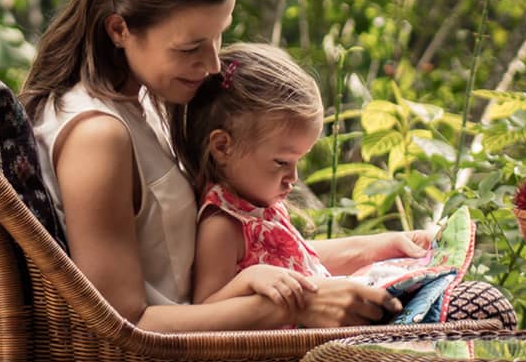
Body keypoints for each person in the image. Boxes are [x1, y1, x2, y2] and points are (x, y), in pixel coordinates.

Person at [20, 0, 403, 331]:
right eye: (189, 48)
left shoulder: (149, 104)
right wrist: (297, 306)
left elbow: (234, 252)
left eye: (219, 37)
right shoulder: (97, 136)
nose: (214, 65)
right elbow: (121, 327)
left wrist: (376, 250)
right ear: (119, 29)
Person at [174, 41, 432, 309]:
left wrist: (382, 247)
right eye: (281, 161)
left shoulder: (257, 206)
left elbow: (299, 257)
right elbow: (206, 311)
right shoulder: (223, 225)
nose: (293, 177)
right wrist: (250, 280)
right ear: (222, 147)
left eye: (299, 161)